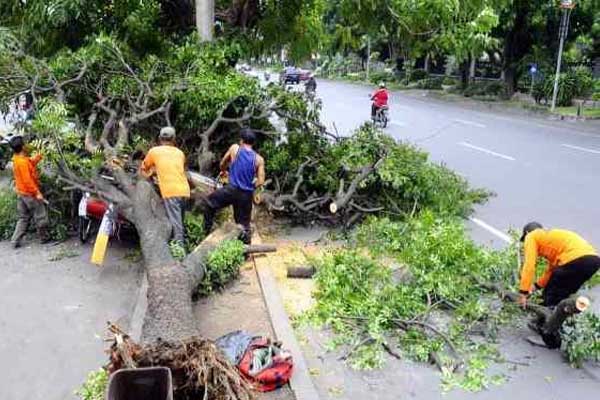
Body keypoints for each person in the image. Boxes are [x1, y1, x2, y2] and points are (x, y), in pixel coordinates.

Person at [203, 128, 265, 244]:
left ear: (241, 140)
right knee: (244, 225)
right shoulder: (259, 159)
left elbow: (222, 163)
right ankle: (245, 250)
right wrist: (251, 186)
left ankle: (206, 232)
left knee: (209, 203)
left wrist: (224, 171)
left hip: (231, 190)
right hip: (246, 195)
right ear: (253, 143)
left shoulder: (235, 149)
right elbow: (261, 181)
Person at [518, 222, 600, 308]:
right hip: (593, 262)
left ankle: (544, 317)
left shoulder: (531, 236)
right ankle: (557, 317)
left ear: (527, 233)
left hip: (576, 259)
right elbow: (551, 271)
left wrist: (523, 292)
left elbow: (529, 265)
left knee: (549, 297)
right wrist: (535, 287)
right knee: (561, 298)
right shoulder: (552, 240)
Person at [140, 127, 190, 245]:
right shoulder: (180, 153)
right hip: (185, 191)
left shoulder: (154, 151)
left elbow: (144, 168)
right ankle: (179, 244)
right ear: (174, 139)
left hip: (171, 191)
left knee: (175, 224)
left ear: (159, 138)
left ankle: (179, 252)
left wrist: (149, 175)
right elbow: (174, 169)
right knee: (179, 221)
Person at [10, 135, 50, 248]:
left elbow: (30, 162)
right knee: (40, 215)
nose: (28, 145)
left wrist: (40, 154)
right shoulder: (22, 162)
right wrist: (37, 193)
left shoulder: (18, 158)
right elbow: (28, 181)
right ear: (23, 147)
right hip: (29, 195)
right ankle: (44, 238)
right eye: (25, 143)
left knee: (23, 218)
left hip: (21, 194)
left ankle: (15, 240)